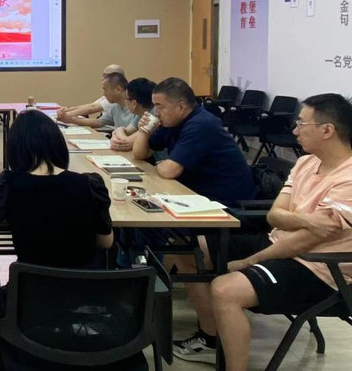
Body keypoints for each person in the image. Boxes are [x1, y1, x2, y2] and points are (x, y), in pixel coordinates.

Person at [173, 94, 352, 368]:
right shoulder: (306, 163)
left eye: (302, 124)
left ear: (327, 130)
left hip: (320, 270)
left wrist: (251, 260)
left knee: (225, 289)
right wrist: (305, 220)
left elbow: (305, 241)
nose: (295, 131)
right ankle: (210, 338)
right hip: (279, 245)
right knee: (186, 248)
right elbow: (274, 215)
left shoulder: (348, 179)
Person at [0, 109, 113, 268]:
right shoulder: (90, 185)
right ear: (58, 143)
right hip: (84, 282)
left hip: (30, 282)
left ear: (15, 149)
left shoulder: (8, 184)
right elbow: (106, 242)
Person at [132, 77, 255, 206]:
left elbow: (170, 171)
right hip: (196, 194)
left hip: (224, 203)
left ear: (180, 107)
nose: (156, 113)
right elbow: (139, 154)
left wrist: (159, 164)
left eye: (160, 107)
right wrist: (144, 131)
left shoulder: (201, 124)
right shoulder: (171, 122)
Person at [58, 72, 137, 132]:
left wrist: (69, 115)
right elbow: (99, 122)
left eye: (105, 90)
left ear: (118, 89)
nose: (103, 94)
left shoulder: (135, 108)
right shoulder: (115, 106)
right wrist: (70, 120)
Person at [58, 63, 125, 119]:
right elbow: (91, 105)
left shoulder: (114, 98)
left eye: (106, 76)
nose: (102, 78)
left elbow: (92, 108)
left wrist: (67, 115)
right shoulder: (107, 95)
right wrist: (67, 109)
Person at [110, 77, 157, 152]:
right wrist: (115, 136)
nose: (125, 102)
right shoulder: (141, 113)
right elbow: (125, 130)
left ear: (134, 103)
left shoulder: (153, 117)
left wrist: (117, 138)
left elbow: (126, 143)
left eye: (126, 98)